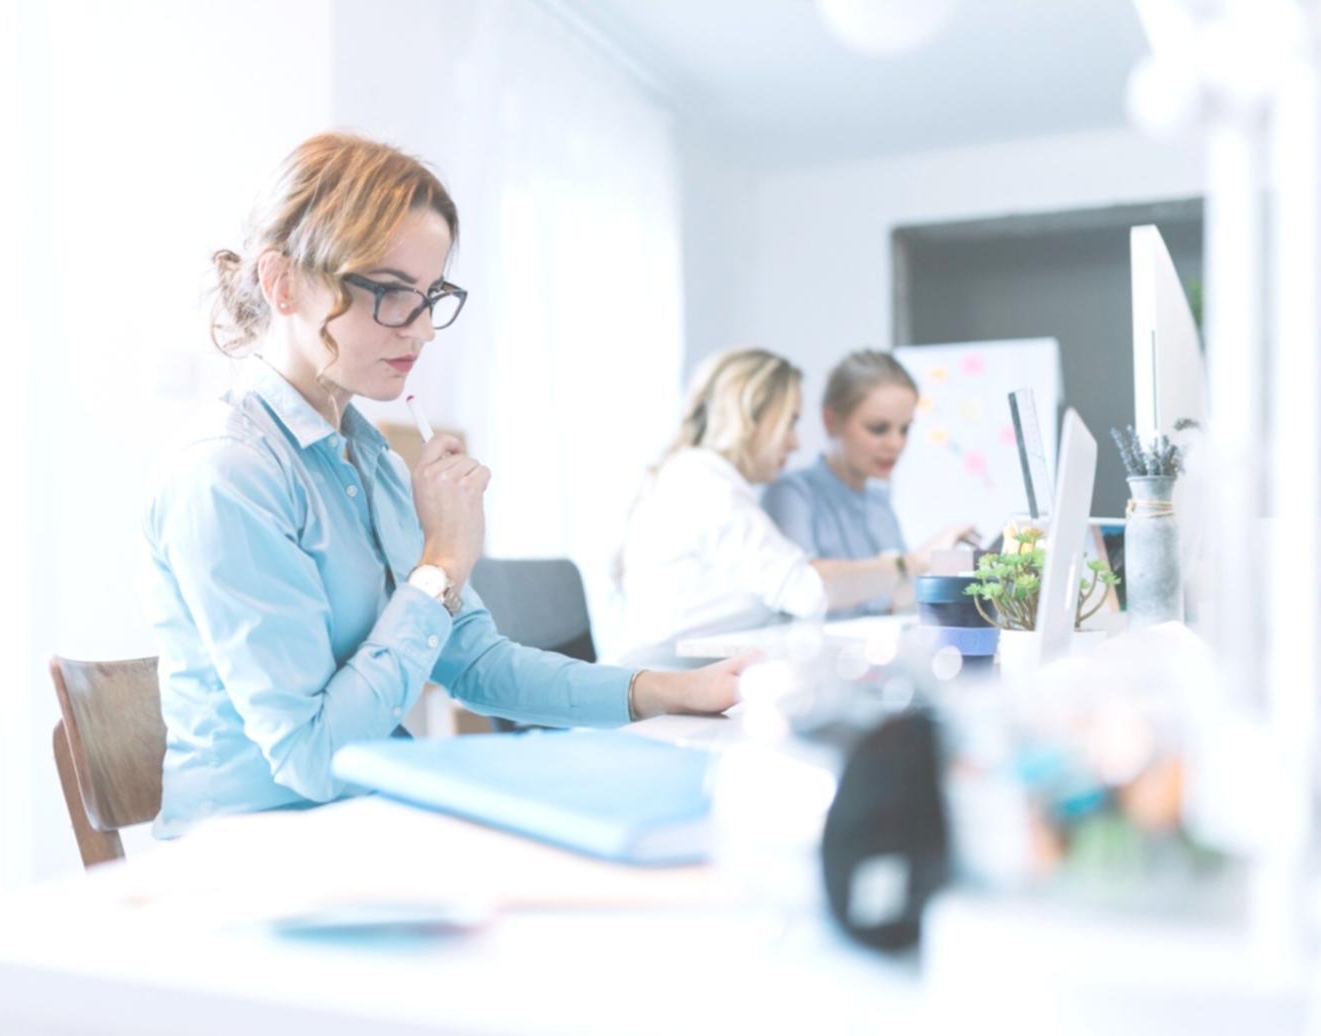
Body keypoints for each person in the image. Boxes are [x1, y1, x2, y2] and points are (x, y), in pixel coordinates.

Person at [141, 133, 748, 836]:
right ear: (281, 284)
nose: (424, 330)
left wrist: (671, 691)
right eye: (393, 295)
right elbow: (313, 758)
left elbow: (478, 664)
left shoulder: (367, 457)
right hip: (248, 860)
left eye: (431, 297)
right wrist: (439, 569)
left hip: (364, 828)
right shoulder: (227, 472)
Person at [617, 347, 936, 664]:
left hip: (691, 672)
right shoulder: (703, 482)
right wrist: (910, 565)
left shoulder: (710, 480)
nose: (795, 442)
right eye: (789, 422)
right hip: (663, 677)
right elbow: (806, 591)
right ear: (750, 419)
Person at [763, 349, 976, 618]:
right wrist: (917, 560)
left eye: (905, 429)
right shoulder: (791, 494)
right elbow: (804, 589)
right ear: (831, 421)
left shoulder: (879, 501)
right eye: (878, 428)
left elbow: (894, 597)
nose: (896, 444)